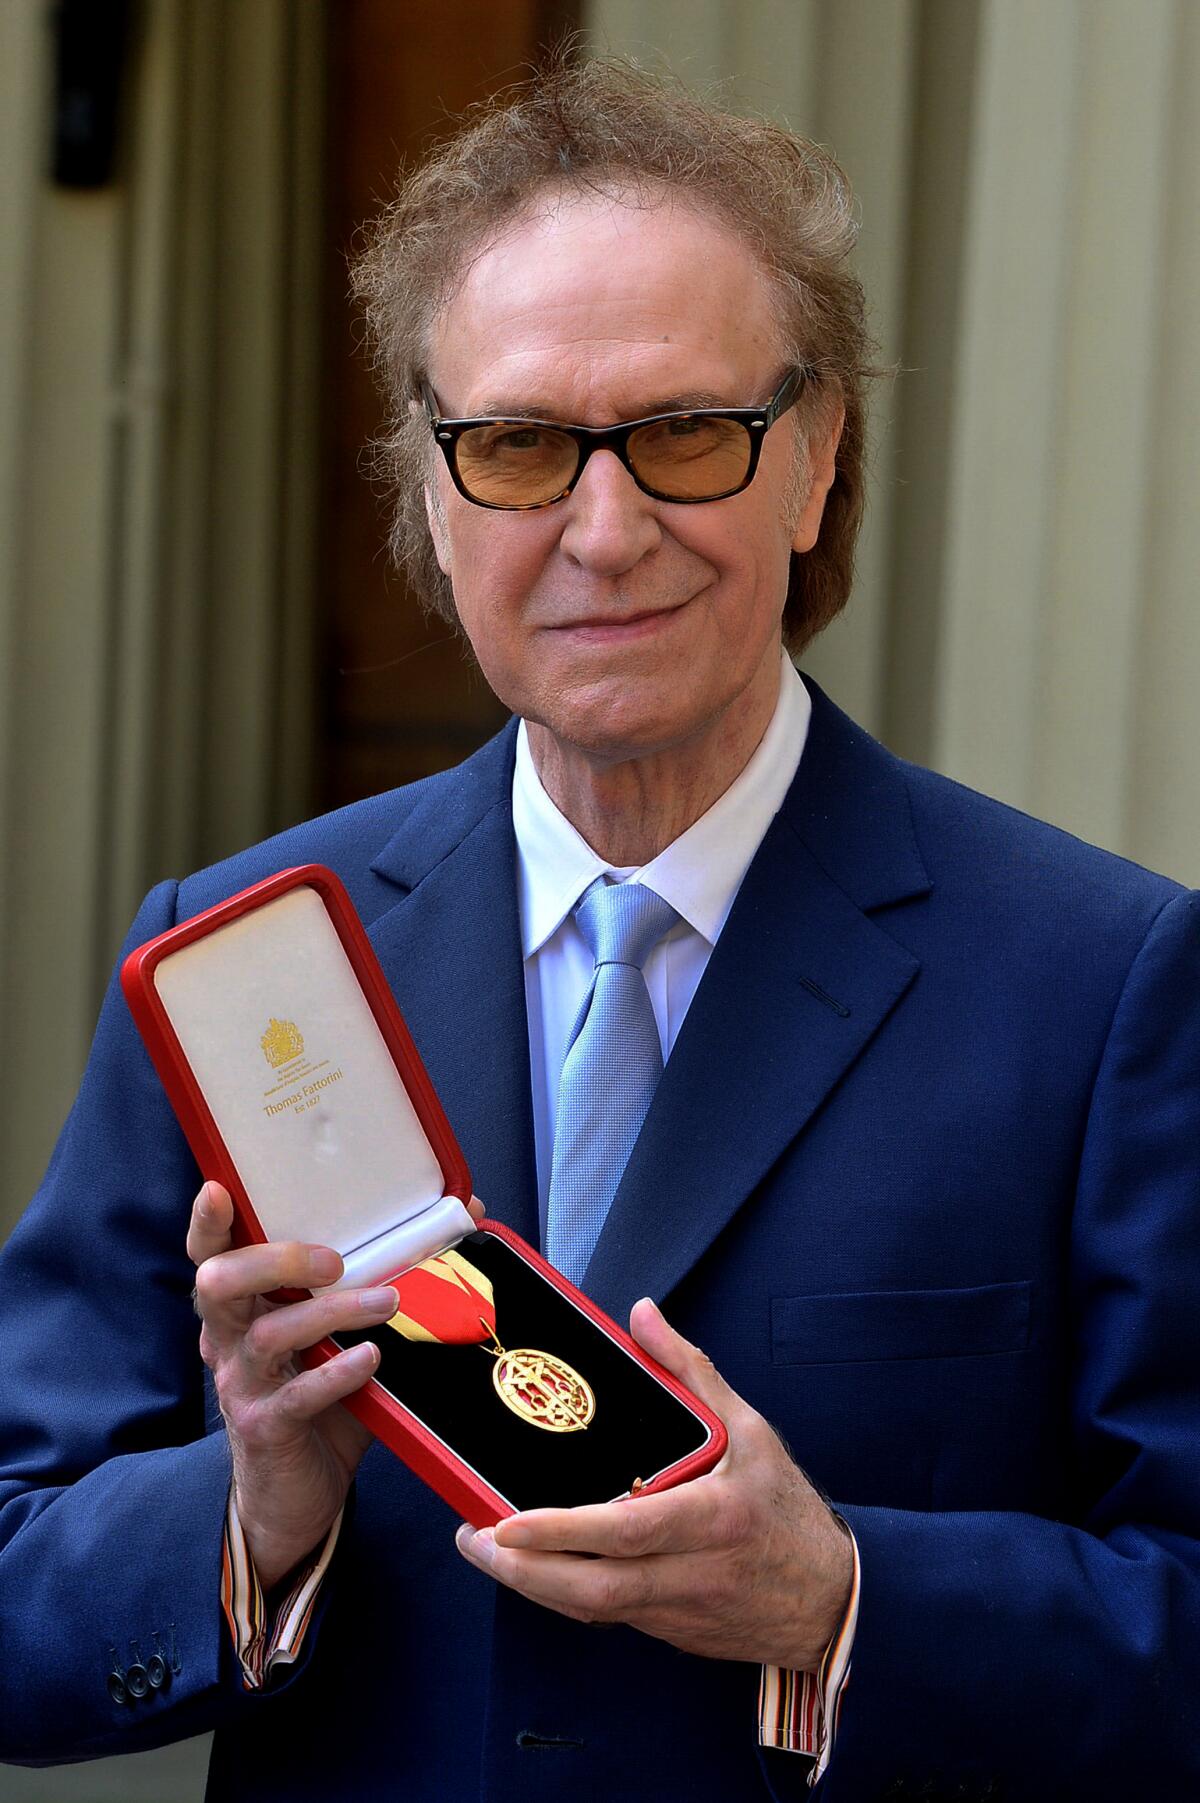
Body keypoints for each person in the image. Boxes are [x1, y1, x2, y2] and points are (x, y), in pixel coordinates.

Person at [1, 58, 1198, 1803]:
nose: (607, 528)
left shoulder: (1109, 986)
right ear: (429, 492)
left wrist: (840, 1599)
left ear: (819, 459)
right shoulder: (243, 962)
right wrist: (254, 1508)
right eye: (519, 446)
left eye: (688, 435)